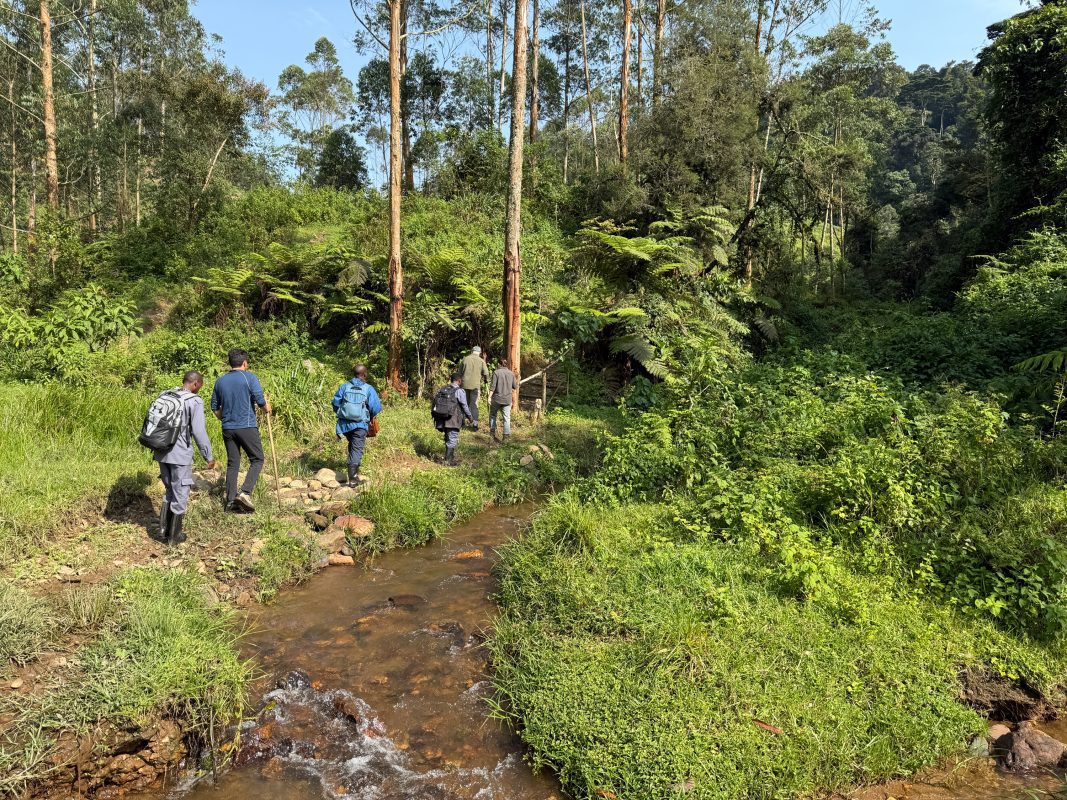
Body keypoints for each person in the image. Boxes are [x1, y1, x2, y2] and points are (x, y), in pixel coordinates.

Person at [157, 371, 217, 545]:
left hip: (161, 451)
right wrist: (208, 456)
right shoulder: (194, 401)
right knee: (181, 492)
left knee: (169, 489)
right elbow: (198, 431)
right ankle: (174, 536)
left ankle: (164, 530)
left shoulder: (166, 394)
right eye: (200, 386)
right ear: (196, 384)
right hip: (180, 454)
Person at [211, 348, 270, 512]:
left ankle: (230, 502)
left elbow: (214, 406)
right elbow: (260, 400)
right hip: (246, 426)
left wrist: (224, 418)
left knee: (233, 463)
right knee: (257, 459)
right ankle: (245, 492)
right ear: (245, 363)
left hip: (228, 428)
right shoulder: (249, 377)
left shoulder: (220, 381)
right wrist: (266, 407)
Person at [331, 364, 382, 486]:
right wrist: (369, 415)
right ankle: (353, 479)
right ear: (364, 374)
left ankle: (354, 473)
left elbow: (335, 403)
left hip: (344, 425)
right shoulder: (368, 389)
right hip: (360, 424)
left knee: (353, 445)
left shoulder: (344, 387)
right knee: (357, 448)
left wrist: (344, 414)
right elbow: (376, 408)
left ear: (354, 374)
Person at [434, 371, 473, 465]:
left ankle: (449, 458)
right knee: (452, 438)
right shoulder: (459, 391)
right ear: (459, 381)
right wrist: (470, 417)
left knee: (448, 437)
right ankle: (448, 461)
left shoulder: (443, 389)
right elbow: (464, 405)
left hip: (442, 418)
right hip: (453, 419)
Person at [459, 345, 490, 430]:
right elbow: (486, 373)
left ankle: (462, 422)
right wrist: (486, 380)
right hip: (475, 387)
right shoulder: (481, 361)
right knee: (474, 405)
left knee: (464, 403)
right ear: (479, 353)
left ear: (471, 351)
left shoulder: (465, 359)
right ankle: (475, 424)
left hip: (464, 385)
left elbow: (459, 373)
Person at [489, 357, 517, 443]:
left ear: (499, 364)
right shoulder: (511, 373)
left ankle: (492, 435)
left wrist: (489, 397)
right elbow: (515, 386)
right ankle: (506, 438)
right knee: (506, 418)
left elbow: (493, 387)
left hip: (496, 399)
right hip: (507, 400)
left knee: (493, 415)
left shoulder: (496, 372)